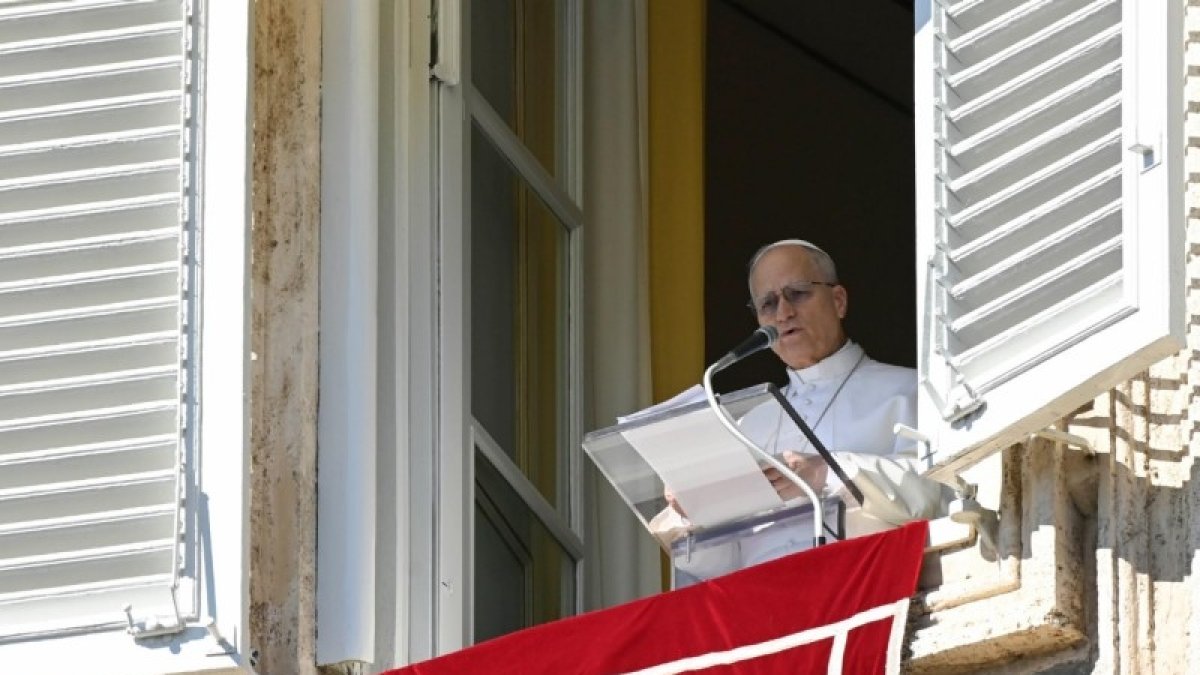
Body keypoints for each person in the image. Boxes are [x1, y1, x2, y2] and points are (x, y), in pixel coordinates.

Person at [658, 239, 950, 583]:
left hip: (866, 587)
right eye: (768, 303)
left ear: (838, 301)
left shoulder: (911, 390)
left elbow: (938, 493)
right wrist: (695, 514)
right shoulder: (748, 426)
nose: (783, 313)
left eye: (797, 293)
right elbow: (725, 563)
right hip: (761, 601)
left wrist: (826, 472)